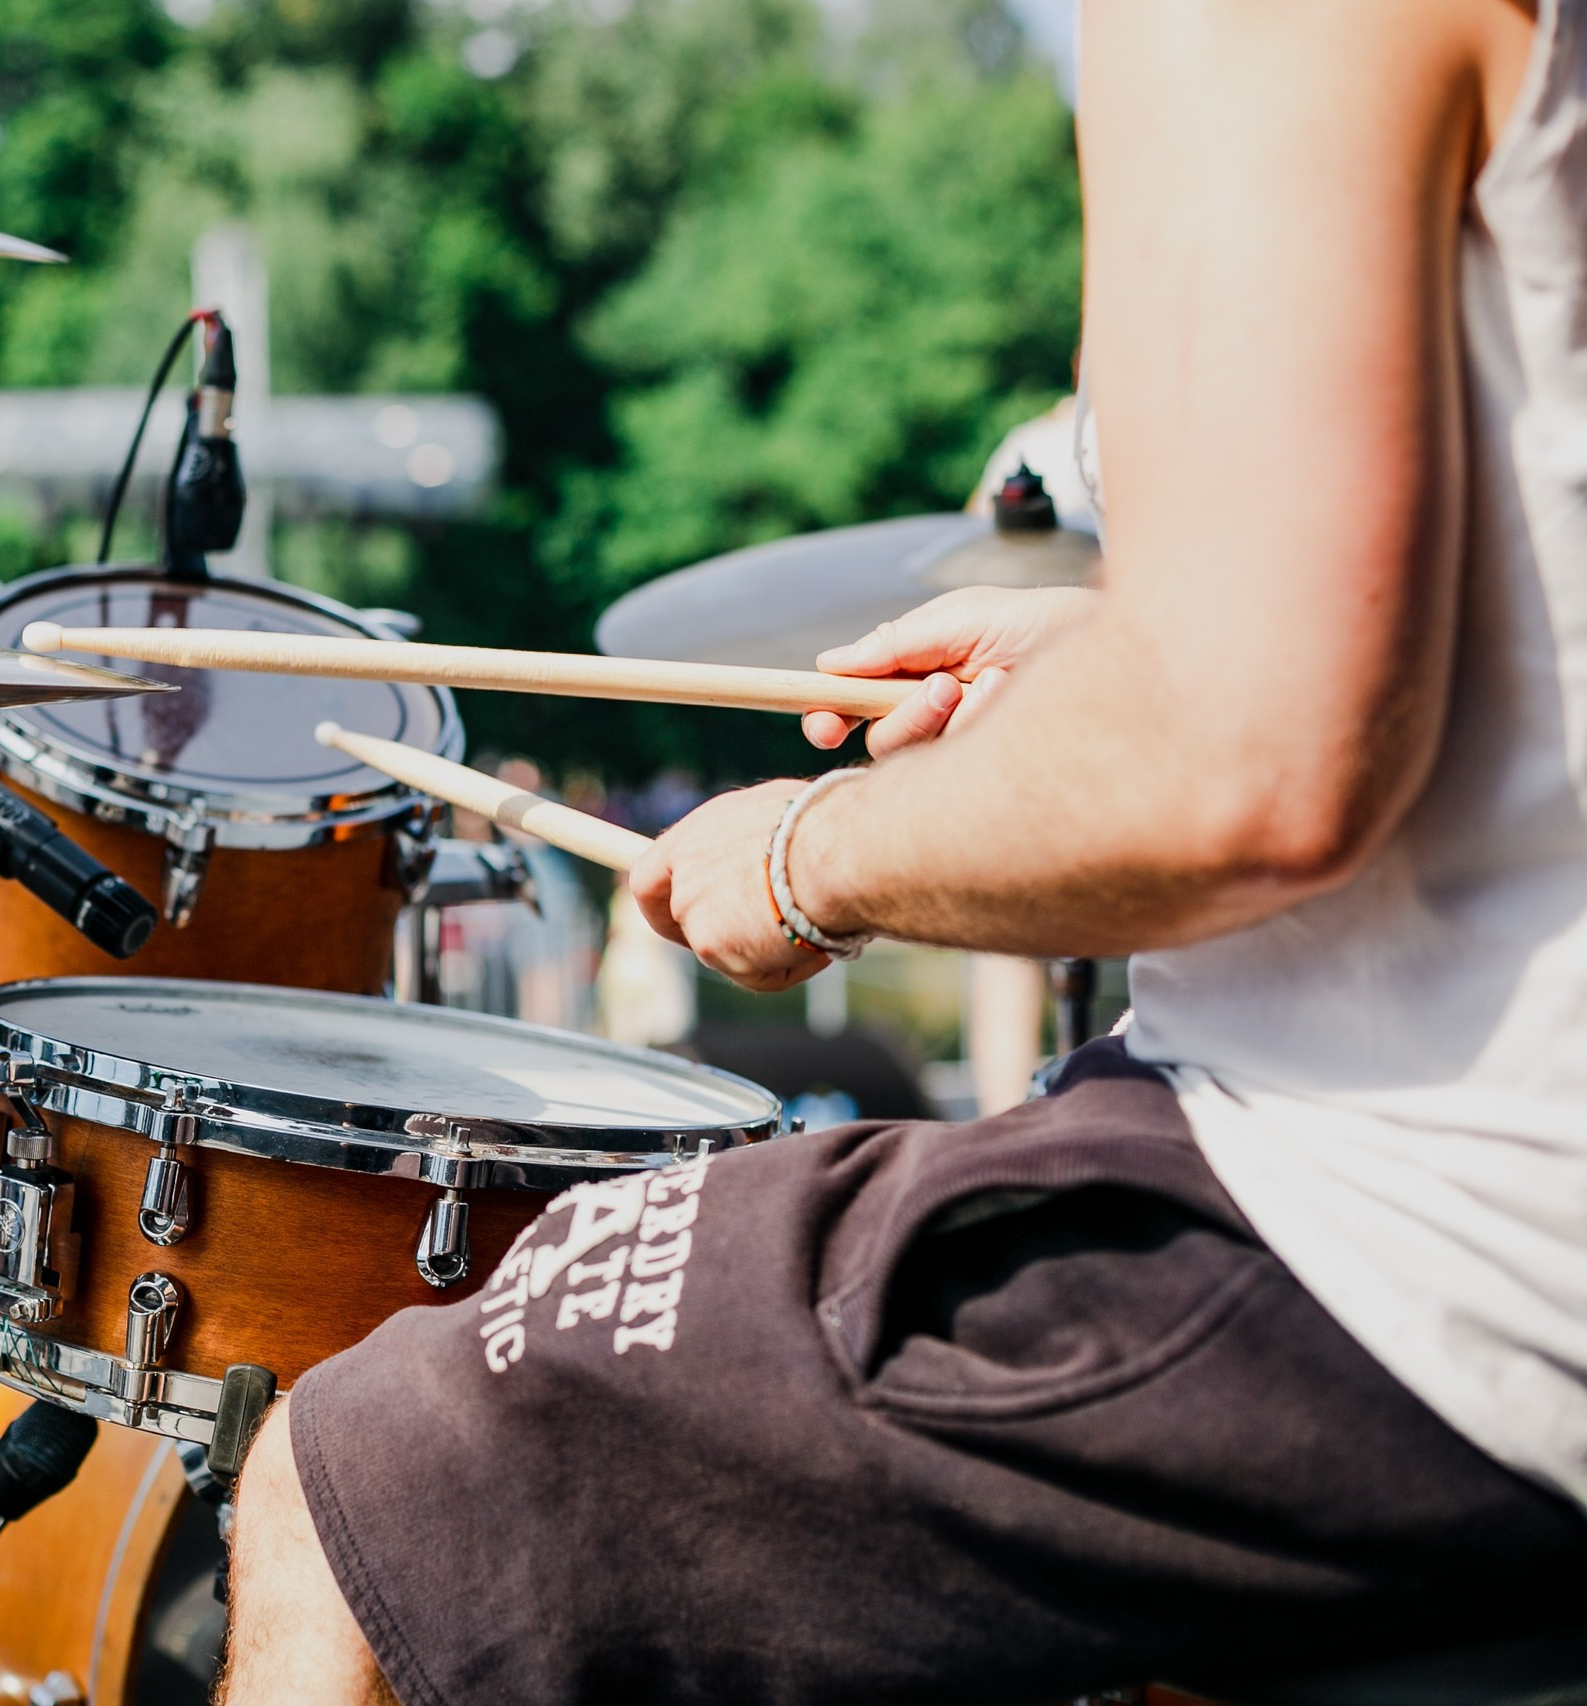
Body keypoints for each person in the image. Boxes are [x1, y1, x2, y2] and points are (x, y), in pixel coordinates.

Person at [217, 2, 1587, 1701]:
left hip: (1440, 1243)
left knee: (361, 1487)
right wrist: (1123, 643)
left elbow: (1252, 769)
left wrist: (807, 857)